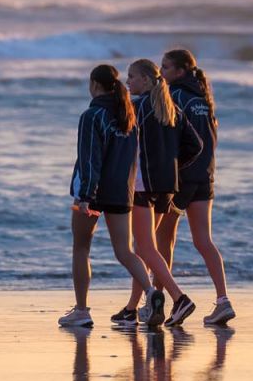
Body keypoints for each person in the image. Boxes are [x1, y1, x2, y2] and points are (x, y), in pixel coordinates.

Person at [59, 64, 193, 330]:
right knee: (125, 251)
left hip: (92, 194)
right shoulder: (127, 115)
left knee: (81, 247)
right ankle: (150, 291)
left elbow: (89, 158)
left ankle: (82, 310)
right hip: (122, 193)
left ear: (95, 85)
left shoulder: (92, 115)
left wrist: (85, 195)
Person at [119, 59, 203, 326]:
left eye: (132, 77)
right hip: (166, 188)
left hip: (143, 186)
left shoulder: (137, 107)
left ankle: (180, 298)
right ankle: (132, 309)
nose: (127, 81)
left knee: (144, 247)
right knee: (145, 249)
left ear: (145, 80)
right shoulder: (171, 108)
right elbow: (196, 146)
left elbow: (123, 146)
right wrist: (172, 167)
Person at [161, 49, 235, 325]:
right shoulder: (204, 100)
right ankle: (223, 300)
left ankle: (157, 300)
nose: (162, 73)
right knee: (203, 241)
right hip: (205, 177)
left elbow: (171, 141)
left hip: (181, 180)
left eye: (166, 68)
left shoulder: (175, 97)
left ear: (180, 71)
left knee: (162, 240)